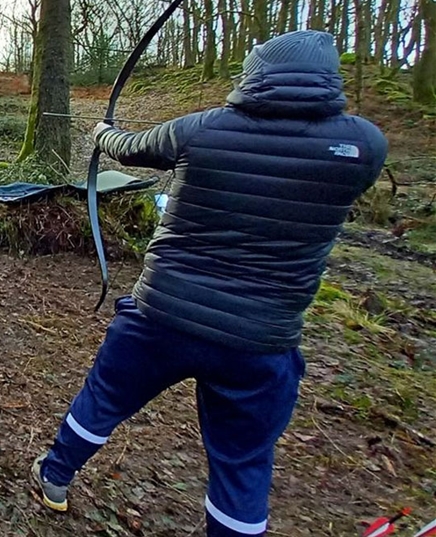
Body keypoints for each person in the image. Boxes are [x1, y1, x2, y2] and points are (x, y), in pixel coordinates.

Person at [31, 30, 388, 535]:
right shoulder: (363, 145)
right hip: (259, 341)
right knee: (241, 465)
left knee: (103, 398)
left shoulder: (202, 129)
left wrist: (102, 133)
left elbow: (128, 148)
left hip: (164, 314)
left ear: (258, 75)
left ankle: (54, 475)